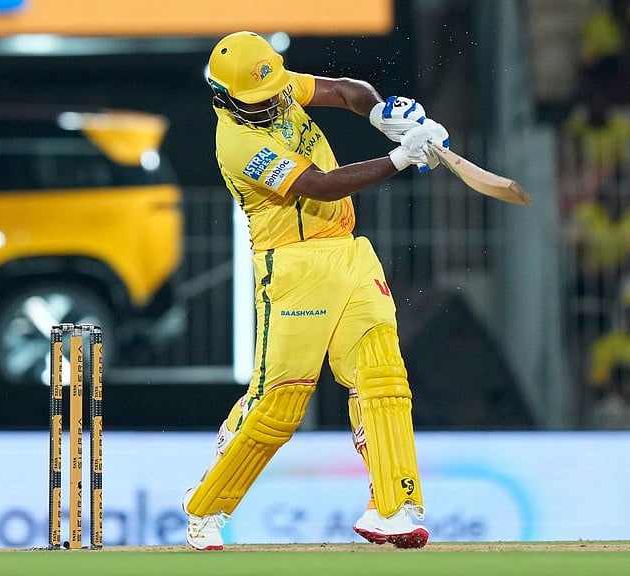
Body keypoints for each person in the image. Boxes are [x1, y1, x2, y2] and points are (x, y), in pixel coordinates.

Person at [181, 31, 449, 551]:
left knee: (383, 377)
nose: (271, 105)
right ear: (225, 98)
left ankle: (394, 507)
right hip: (293, 269)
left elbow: (348, 91)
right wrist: (400, 158)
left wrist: (384, 113)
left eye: (274, 91)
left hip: (348, 251)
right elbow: (320, 186)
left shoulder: (274, 87)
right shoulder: (237, 143)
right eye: (256, 102)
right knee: (279, 406)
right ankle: (205, 508)